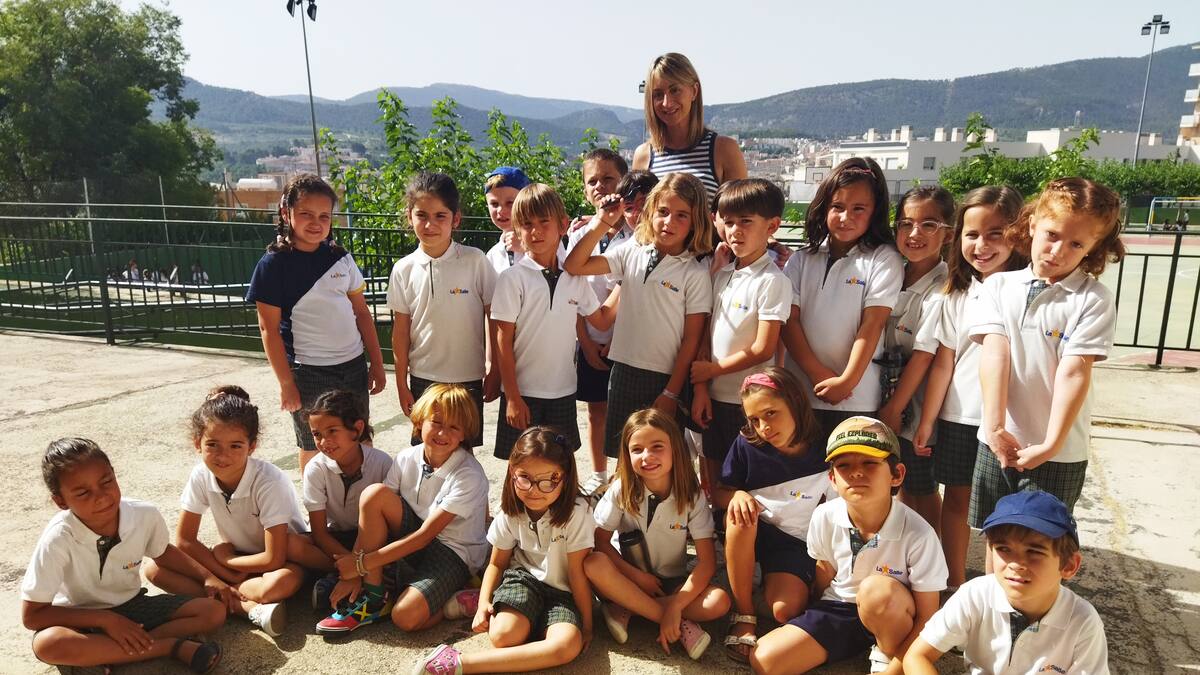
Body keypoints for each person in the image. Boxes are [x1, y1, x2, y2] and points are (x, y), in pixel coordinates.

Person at [969, 178, 1125, 543]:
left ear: (1094, 247)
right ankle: (997, 602)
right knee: (997, 536)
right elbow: (995, 354)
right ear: (1032, 223)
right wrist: (993, 428)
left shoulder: (1092, 299)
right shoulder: (998, 287)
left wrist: (1052, 443)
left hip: (1059, 452)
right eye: (1052, 234)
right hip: (997, 442)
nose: (1058, 250)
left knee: (1041, 542)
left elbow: (1074, 371)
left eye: (1076, 244)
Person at [751, 416, 947, 674]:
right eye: (844, 466)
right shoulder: (824, 515)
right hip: (840, 606)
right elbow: (824, 569)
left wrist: (896, 668)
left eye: (870, 463)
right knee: (765, 660)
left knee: (876, 593)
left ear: (897, 474)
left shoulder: (920, 533)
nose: (856, 472)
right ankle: (853, 643)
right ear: (832, 479)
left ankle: (886, 652)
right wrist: (812, 620)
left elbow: (927, 618)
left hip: (893, 614)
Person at [21, 438, 225, 673]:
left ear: (114, 474)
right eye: (83, 493)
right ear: (60, 501)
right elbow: (32, 615)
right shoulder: (57, 539)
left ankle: (108, 655)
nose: (101, 496)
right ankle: (169, 647)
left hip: (133, 606)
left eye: (107, 481)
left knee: (213, 612)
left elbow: (163, 552)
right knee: (48, 643)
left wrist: (207, 576)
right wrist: (105, 620)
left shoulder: (143, 514)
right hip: (81, 619)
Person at [914, 186, 1026, 591]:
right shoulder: (956, 293)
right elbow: (944, 361)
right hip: (961, 416)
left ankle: (1002, 592)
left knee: (1005, 512)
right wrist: (927, 420)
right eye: (972, 234)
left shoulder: (1029, 291)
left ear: (1019, 234)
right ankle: (955, 585)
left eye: (996, 233)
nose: (982, 245)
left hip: (1013, 421)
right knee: (958, 500)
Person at [415, 428, 594, 673]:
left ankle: (460, 664)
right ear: (512, 472)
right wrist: (484, 603)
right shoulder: (511, 511)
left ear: (565, 476)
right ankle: (479, 601)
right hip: (524, 581)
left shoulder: (577, 513)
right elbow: (497, 563)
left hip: (563, 593)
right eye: (525, 478)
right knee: (502, 636)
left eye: (548, 480)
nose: (534, 489)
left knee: (566, 647)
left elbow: (576, 573)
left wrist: (587, 625)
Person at [564, 172, 714, 460]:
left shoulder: (694, 273)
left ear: (696, 221)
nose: (669, 222)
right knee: (624, 458)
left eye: (682, 215)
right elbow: (575, 264)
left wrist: (671, 393)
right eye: (663, 212)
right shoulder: (632, 250)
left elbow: (692, 340)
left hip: (665, 378)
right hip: (622, 371)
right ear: (651, 211)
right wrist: (602, 222)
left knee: (661, 460)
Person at [316, 383, 488, 634]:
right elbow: (377, 512)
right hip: (415, 536)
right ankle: (375, 598)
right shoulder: (407, 457)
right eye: (436, 422)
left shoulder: (468, 474)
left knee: (405, 617)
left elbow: (425, 537)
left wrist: (360, 565)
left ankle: (458, 599)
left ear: (464, 434)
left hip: (454, 551)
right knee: (375, 495)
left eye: (454, 427)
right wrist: (353, 571)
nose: (443, 433)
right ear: (419, 422)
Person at [246, 173, 387, 473]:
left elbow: (362, 314)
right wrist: (287, 384)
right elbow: (267, 330)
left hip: (352, 366)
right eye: (306, 214)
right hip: (308, 371)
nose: (316, 222)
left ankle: (366, 501)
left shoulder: (341, 258)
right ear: (286, 213)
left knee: (359, 436)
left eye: (324, 216)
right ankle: (317, 511)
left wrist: (376, 363)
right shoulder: (272, 265)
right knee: (313, 445)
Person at [904, 491, 1108, 675]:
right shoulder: (975, 594)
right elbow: (916, 656)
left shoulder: (1082, 621)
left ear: (1069, 565)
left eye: (1034, 552)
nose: (1016, 564)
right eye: (1003, 549)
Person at [167, 386, 313, 638]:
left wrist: (224, 561)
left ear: (252, 446)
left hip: (280, 559)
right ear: (197, 443)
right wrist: (223, 576)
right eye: (212, 444)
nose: (223, 456)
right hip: (240, 561)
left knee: (276, 586)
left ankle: (227, 598)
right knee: (154, 569)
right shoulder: (200, 474)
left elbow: (273, 559)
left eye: (236, 446)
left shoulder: (268, 481)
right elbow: (184, 540)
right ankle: (245, 606)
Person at [585, 408, 729, 660]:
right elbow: (600, 543)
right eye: (637, 449)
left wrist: (677, 603)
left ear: (675, 448)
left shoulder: (691, 495)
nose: (647, 456)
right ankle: (671, 620)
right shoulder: (621, 489)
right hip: (625, 577)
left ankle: (626, 607)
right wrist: (637, 577)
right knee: (594, 563)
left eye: (657, 447)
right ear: (627, 454)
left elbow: (706, 563)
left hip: (671, 584)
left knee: (719, 602)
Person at [780, 157, 903, 445]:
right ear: (823, 208)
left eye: (858, 209)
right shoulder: (802, 259)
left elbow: (872, 325)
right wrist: (817, 373)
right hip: (801, 392)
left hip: (856, 398)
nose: (846, 217)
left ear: (875, 213)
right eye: (837, 207)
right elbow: (789, 321)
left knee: (851, 481)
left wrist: (847, 381)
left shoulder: (883, 259)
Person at [715, 368, 834, 663]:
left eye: (771, 413)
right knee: (738, 516)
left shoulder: (826, 445)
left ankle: (760, 583)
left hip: (795, 544)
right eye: (754, 419)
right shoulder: (747, 444)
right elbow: (719, 492)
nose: (763, 427)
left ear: (794, 402)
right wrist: (737, 495)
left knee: (786, 611)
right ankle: (744, 610)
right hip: (756, 532)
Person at [490, 183, 614, 460]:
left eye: (544, 221)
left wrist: (624, 283)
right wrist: (511, 396)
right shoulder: (512, 279)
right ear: (516, 230)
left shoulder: (575, 278)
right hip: (524, 392)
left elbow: (602, 321)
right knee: (520, 463)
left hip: (563, 391)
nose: (535, 231)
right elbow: (503, 341)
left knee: (561, 463)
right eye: (526, 223)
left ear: (562, 225)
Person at [690, 178, 792, 488]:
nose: (737, 230)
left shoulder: (773, 281)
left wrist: (712, 369)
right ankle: (720, 533)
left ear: (772, 225)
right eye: (730, 222)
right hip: (715, 397)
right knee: (714, 474)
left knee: (748, 480)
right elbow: (706, 335)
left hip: (750, 402)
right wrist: (702, 388)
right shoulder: (722, 274)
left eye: (746, 221)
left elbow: (764, 348)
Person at [387, 172, 496, 447]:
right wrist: (401, 384)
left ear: (455, 219)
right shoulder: (403, 269)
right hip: (424, 378)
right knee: (425, 453)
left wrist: (493, 369)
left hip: (468, 377)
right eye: (421, 215)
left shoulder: (475, 260)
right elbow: (400, 332)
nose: (429, 224)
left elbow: (493, 318)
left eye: (440, 216)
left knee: (463, 453)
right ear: (409, 215)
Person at [876, 186, 954, 530]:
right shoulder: (894, 273)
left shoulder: (944, 289)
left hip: (917, 403)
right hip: (891, 393)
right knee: (904, 481)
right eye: (906, 224)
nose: (915, 234)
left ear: (948, 233)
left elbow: (924, 357)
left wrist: (894, 410)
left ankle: (929, 553)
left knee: (921, 485)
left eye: (929, 225)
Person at [565, 149, 632, 495]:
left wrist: (611, 338)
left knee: (625, 412)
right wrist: (587, 342)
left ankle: (626, 476)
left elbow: (627, 289)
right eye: (592, 181)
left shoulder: (636, 235)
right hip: (589, 337)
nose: (601, 186)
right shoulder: (578, 237)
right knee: (595, 411)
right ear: (584, 190)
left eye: (609, 178)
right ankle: (600, 473)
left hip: (626, 340)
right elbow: (572, 293)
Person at [301, 389, 392, 611]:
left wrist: (357, 565)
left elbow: (392, 523)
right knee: (294, 544)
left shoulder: (382, 463)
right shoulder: (315, 468)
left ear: (357, 428)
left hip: (374, 541)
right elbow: (320, 533)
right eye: (317, 434)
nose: (324, 441)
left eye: (332, 431)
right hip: (335, 542)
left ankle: (349, 581)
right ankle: (352, 577)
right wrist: (353, 566)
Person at [632, 53, 747, 198]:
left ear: (694, 91)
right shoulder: (643, 155)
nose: (666, 103)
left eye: (675, 90)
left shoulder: (724, 150)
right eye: (658, 94)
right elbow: (638, 217)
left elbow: (740, 214)